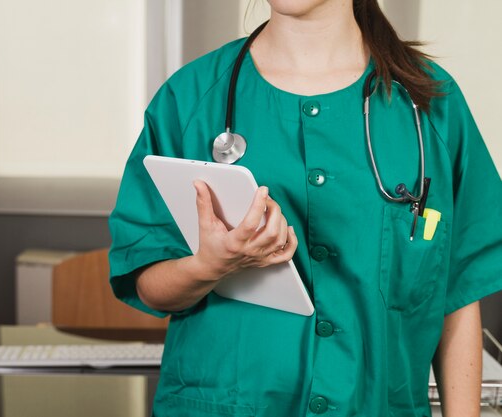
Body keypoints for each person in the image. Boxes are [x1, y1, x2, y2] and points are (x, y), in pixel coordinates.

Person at [108, 0, 502, 416]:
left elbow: (458, 294)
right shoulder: (188, 99)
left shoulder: (430, 104)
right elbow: (147, 278)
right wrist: (210, 265)